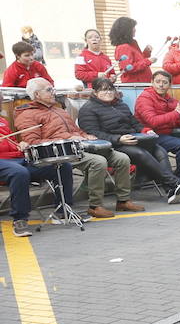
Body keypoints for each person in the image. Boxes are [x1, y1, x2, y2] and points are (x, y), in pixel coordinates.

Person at [14, 78, 134, 219]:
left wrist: (85, 136)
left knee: (122, 158)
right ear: (37, 94)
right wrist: (66, 139)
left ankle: (123, 200)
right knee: (98, 162)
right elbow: (33, 142)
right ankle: (95, 206)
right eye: (49, 90)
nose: (54, 92)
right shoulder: (27, 115)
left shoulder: (59, 110)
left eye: (53, 89)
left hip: (78, 146)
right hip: (59, 152)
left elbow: (75, 130)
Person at [78, 77, 180, 204]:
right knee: (141, 153)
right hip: (112, 144)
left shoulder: (121, 105)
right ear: (95, 92)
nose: (108, 92)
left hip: (132, 138)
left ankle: (171, 190)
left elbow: (134, 123)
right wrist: (119, 139)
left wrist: (145, 130)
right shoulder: (88, 109)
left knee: (160, 151)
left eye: (111, 89)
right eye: (104, 90)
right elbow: (93, 133)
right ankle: (175, 184)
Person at [1, 120, 74, 236]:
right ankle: (20, 219)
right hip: (3, 162)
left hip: (18, 159)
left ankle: (63, 211)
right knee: (20, 173)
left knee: (62, 165)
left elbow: (12, 143)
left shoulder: (2, 121)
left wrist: (21, 144)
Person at [110, 16, 153, 83]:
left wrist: (146, 52)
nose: (135, 30)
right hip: (135, 84)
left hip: (143, 82)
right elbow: (128, 67)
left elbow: (139, 61)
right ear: (126, 30)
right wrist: (148, 61)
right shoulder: (123, 47)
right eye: (133, 27)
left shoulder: (133, 44)